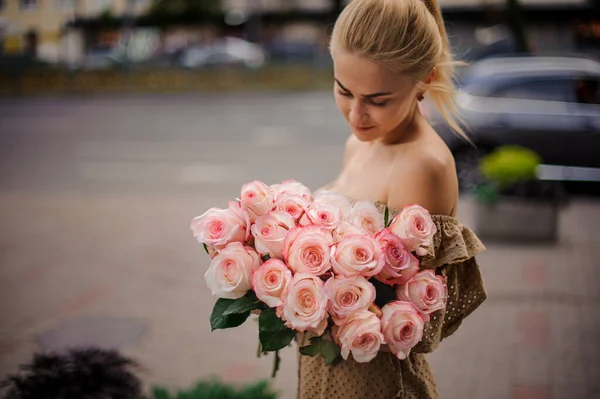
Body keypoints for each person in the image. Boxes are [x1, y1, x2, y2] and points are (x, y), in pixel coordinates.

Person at [296, 0, 487, 398]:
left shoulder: (422, 167)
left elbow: (408, 319)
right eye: (343, 90)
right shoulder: (359, 143)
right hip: (323, 368)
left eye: (378, 100)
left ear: (425, 79)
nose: (356, 114)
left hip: (374, 383)